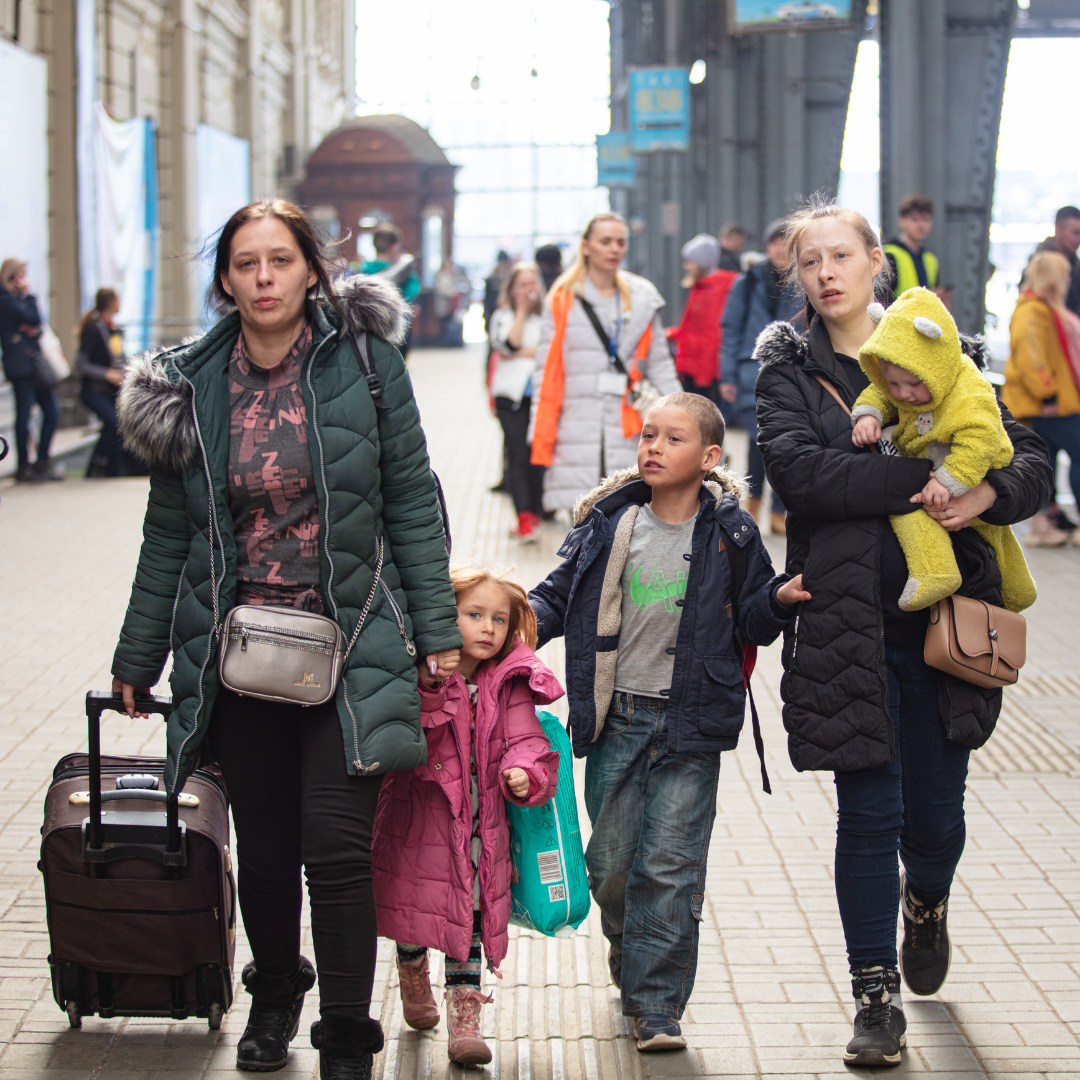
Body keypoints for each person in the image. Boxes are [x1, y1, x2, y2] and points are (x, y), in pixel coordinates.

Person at [111, 198, 462, 1079]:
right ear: (226, 281)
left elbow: (412, 498)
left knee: (336, 852)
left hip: (353, 642)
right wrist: (137, 655)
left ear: (313, 269)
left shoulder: (368, 363)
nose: (264, 278)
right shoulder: (190, 386)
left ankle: (346, 1033)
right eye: (246, 264)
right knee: (265, 854)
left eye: (280, 260)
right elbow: (169, 536)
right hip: (238, 656)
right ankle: (273, 998)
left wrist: (436, 630)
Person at [753, 197, 1053, 1069]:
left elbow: (1025, 459)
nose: (826, 274)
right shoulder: (788, 369)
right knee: (867, 814)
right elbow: (800, 476)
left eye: (840, 256)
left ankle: (926, 900)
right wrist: (926, 474)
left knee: (935, 819)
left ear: (874, 261)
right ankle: (874, 996)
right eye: (810, 262)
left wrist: (987, 491)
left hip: (945, 628)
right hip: (845, 625)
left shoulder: (939, 346)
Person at [529, 392, 808, 1053]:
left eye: (672, 438)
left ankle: (656, 1004)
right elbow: (556, 595)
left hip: (692, 720)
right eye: (647, 435)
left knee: (670, 865)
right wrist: (510, 628)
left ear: (709, 457)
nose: (653, 447)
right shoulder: (609, 522)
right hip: (616, 717)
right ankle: (628, 946)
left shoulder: (733, 533)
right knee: (611, 863)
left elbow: (755, 616)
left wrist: (780, 598)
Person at [373, 568, 562, 1065]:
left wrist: (525, 771)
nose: (487, 628)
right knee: (415, 909)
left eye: (499, 619)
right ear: (445, 616)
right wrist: (432, 682)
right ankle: (412, 970)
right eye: (474, 614)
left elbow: (527, 739)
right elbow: (414, 728)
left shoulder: (509, 683)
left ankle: (465, 1019)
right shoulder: (423, 672)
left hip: (481, 828)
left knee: (471, 917)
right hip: (423, 822)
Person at [850, 288, 1036, 613]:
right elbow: (880, 391)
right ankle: (1021, 591)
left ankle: (935, 572)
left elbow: (982, 438)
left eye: (913, 384)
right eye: (894, 383)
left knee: (921, 512)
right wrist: (868, 414)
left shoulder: (968, 392)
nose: (903, 394)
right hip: (941, 463)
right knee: (996, 536)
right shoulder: (902, 379)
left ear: (937, 366)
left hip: (973, 467)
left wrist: (948, 481)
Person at [529, 212, 681, 513]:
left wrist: (686, 418)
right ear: (586, 246)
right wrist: (540, 425)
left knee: (630, 516)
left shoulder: (642, 297)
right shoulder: (562, 298)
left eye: (621, 242)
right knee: (582, 520)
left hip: (629, 423)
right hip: (574, 424)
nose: (614, 249)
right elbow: (545, 370)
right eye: (606, 241)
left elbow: (660, 364)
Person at [720, 218, 802, 535]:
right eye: (774, 242)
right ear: (767, 246)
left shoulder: (802, 282)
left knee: (786, 442)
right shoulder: (747, 282)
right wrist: (727, 375)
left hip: (789, 373)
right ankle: (753, 505)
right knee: (757, 442)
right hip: (750, 372)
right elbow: (731, 330)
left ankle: (779, 510)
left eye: (785, 243)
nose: (779, 249)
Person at [1002, 250, 1080, 547]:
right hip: (1050, 404)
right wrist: (1047, 394)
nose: (1069, 281)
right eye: (1065, 275)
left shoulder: (1037, 308)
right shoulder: (1033, 311)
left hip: (1049, 403)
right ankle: (1046, 523)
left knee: (1045, 461)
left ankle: (1044, 522)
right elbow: (1031, 358)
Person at [488, 262, 546, 541]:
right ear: (511, 289)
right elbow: (508, 345)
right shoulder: (502, 317)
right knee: (518, 456)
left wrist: (523, 352)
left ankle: (535, 512)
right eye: (522, 285)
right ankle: (524, 518)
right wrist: (521, 311)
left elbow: (552, 352)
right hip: (509, 399)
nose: (528, 289)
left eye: (532, 283)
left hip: (540, 399)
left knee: (538, 457)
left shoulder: (546, 318)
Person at [0, 257, 61, 482]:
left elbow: (37, 324)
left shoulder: (17, 299)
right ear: (12, 276)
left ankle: (42, 460)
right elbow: (33, 318)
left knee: (52, 411)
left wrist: (32, 326)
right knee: (24, 413)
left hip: (34, 363)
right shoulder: (5, 299)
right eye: (21, 275)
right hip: (20, 366)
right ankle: (24, 465)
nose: (24, 280)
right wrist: (29, 296)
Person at [667, 234, 738, 408]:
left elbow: (712, 335)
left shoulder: (712, 290)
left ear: (701, 263)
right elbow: (692, 327)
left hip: (701, 371)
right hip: (694, 367)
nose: (686, 266)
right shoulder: (701, 286)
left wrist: (703, 377)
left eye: (689, 261)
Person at [76, 287, 128, 477]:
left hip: (110, 391)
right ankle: (97, 466)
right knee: (112, 422)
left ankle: (111, 470)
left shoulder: (113, 329)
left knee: (118, 425)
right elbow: (80, 363)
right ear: (110, 303)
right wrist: (107, 374)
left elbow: (117, 357)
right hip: (93, 390)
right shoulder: (94, 329)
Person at [362, 224, 420, 359]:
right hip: (396, 333)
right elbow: (411, 294)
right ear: (395, 246)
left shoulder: (360, 271)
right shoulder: (404, 274)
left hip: (366, 336)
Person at [884, 195, 947, 305]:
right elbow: (879, 301)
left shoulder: (931, 260)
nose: (921, 225)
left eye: (926, 219)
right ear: (901, 221)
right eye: (914, 219)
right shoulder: (889, 256)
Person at [1026, 205, 1080, 319]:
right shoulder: (1038, 264)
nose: (1079, 239)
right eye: (1076, 233)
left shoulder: (1076, 267)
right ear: (1058, 231)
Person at [483, 250, 513, 332]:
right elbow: (487, 300)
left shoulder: (509, 275)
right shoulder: (492, 278)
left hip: (505, 311)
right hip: (493, 311)